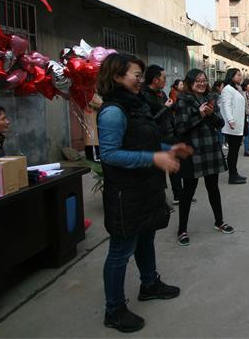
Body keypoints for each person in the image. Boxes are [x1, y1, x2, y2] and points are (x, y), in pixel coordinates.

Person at [96, 53, 192, 333]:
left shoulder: (136, 105)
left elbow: (144, 141)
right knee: (121, 251)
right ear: (117, 76)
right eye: (136, 76)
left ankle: (149, 284)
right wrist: (153, 158)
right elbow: (110, 154)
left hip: (146, 186)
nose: (140, 80)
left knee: (146, 237)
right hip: (125, 192)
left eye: (141, 75)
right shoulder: (113, 111)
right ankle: (114, 310)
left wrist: (168, 149)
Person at [174, 69, 234, 246]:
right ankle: (182, 229)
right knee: (188, 191)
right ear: (190, 82)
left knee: (213, 187)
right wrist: (199, 115)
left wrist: (210, 114)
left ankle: (219, 221)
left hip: (210, 148)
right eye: (198, 81)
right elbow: (180, 128)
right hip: (192, 151)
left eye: (204, 80)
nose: (201, 83)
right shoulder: (183, 101)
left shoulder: (211, 99)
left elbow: (220, 123)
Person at [140, 65, 188, 207]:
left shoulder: (161, 93)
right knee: (158, 171)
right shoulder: (144, 96)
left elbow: (168, 112)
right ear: (155, 80)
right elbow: (151, 119)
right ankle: (160, 202)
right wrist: (165, 108)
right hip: (156, 137)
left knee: (174, 166)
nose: (165, 80)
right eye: (164, 78)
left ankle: (179, 195)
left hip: (169, 134)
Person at [220, 68, 247, 184]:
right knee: (233, 152)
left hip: (238, 124)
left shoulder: (236, 89)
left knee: (235, 151)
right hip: (232, 126)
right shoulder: (227, 89)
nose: (240, 77)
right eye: (238, 75)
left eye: (241, 75)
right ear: (231, 76)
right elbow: (226, 105)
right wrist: (230, 120)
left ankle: (234, 173)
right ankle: (232, 176)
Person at [84, 93, 102, 162]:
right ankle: (94, 156)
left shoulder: (93, 93)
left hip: (94, 120)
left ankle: (94, 155)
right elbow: (100, 104)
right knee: (92, 138)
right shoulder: (90, 93)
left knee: (93, 137)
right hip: (92, 120)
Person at [212, 80, 226, 149]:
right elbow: (215, 106)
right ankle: (221, 144)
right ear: (217, 87)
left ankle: (222, 143)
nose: (223, 89)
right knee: (219, 130)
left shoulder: (218, 94)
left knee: (220, 130)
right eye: (222, 87)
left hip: (219, 114)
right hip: (217, 115)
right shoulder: (215, 95)